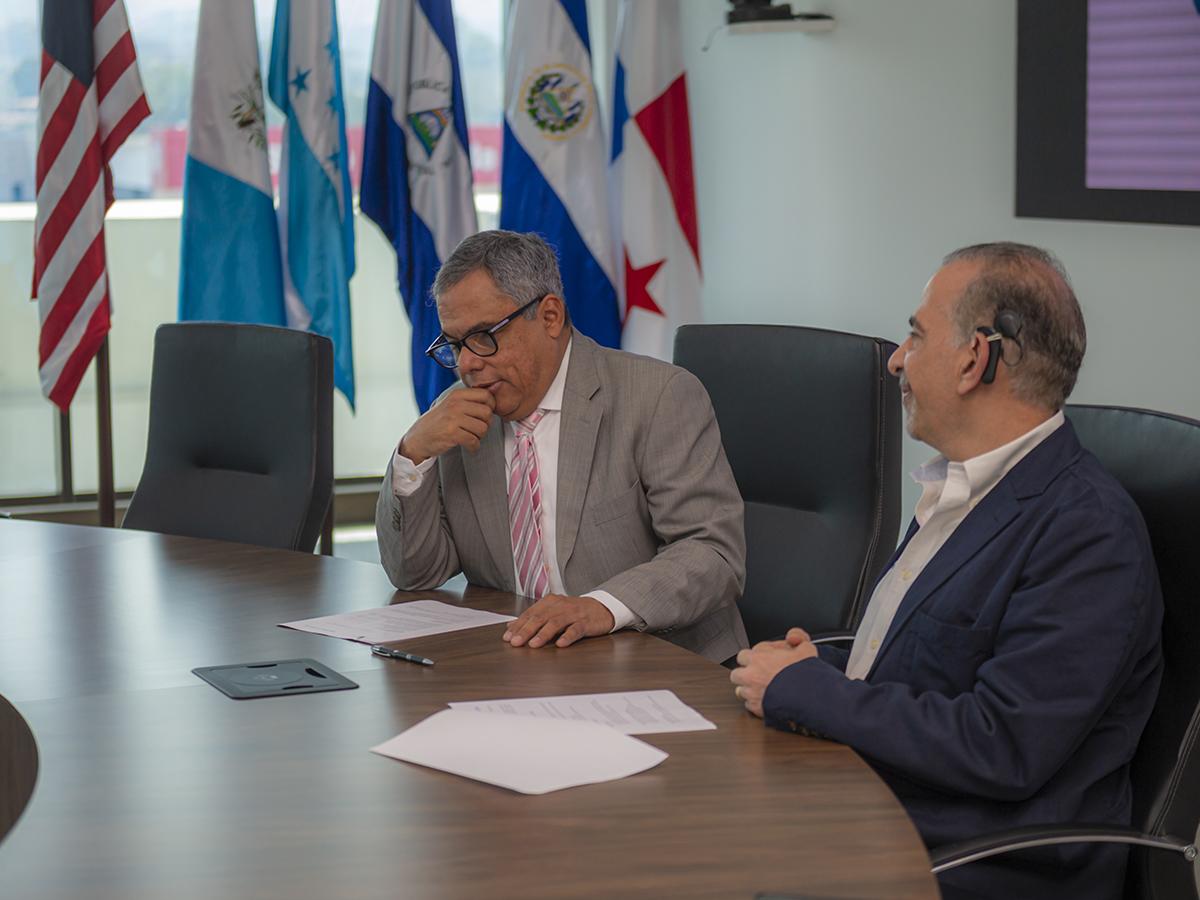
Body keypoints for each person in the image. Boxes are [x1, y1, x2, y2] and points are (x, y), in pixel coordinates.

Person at [731, 242, 1163, 899]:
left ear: (976, 357)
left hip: (981, 864)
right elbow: (936, 658)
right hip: (887, 812)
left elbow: (1002, 745)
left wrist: (807, 692)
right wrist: (818, 665)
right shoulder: (964, 489)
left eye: (915, 333)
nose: (898, 360)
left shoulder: (1089, 531)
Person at [375, 230, 747, 663]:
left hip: (668, 663)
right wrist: (413, 454)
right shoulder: (459, 415)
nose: (467, 363)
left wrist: (601, 607)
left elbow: (712, 552)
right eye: (454, 345)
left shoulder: (657, 396)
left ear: (550, 316)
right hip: (528, 669)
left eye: (482, 336)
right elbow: (416, 573)